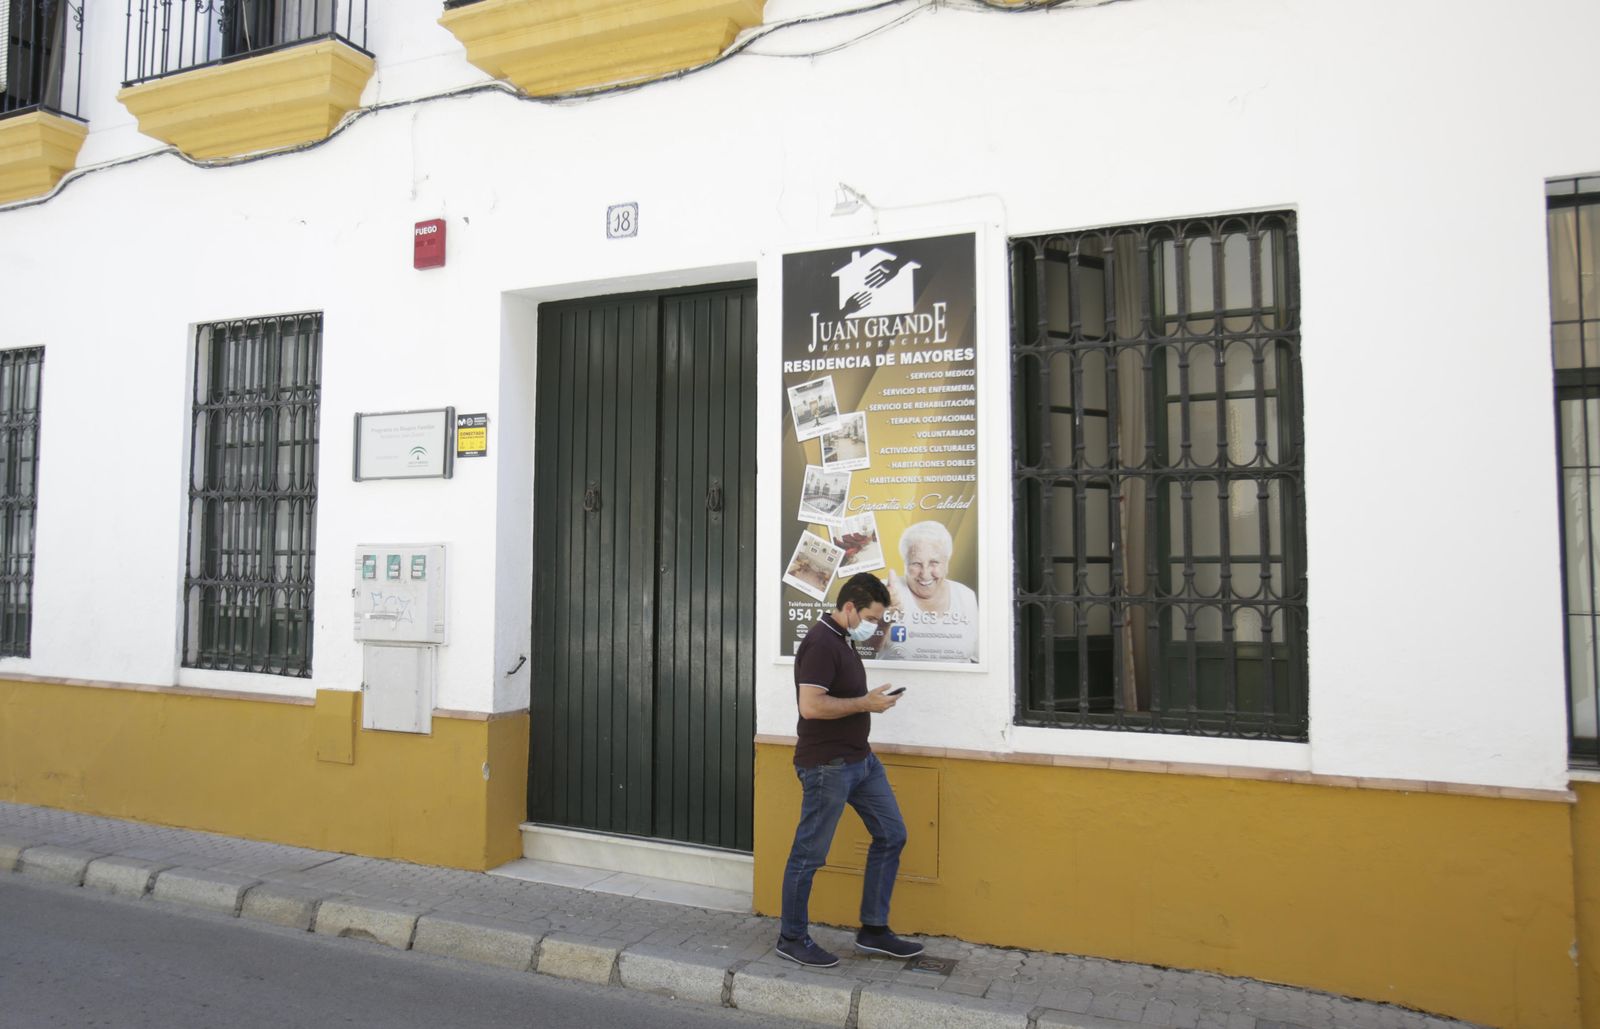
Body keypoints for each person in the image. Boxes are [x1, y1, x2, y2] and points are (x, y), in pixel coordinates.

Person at [777, 572, 924, 968]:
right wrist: (865, 704)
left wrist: (867, 700)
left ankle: (873, 930)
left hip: (861, 761)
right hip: (828, 765)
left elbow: (846, 696)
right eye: (872, 618)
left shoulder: (841, 639)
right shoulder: (820, 643)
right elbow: (811, 706)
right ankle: (791, 937)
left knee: (892, 834)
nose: (875, 625)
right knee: (809, 854)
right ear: (848, 608)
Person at [882, 520, 978, 662]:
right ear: (905, 563)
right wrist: (884, 621)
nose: (925, 573)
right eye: (916, 563)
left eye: (934, 563)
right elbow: (867, 648)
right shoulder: (887, 591)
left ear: (947, 563)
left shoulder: (965, 595)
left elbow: (977, 656)